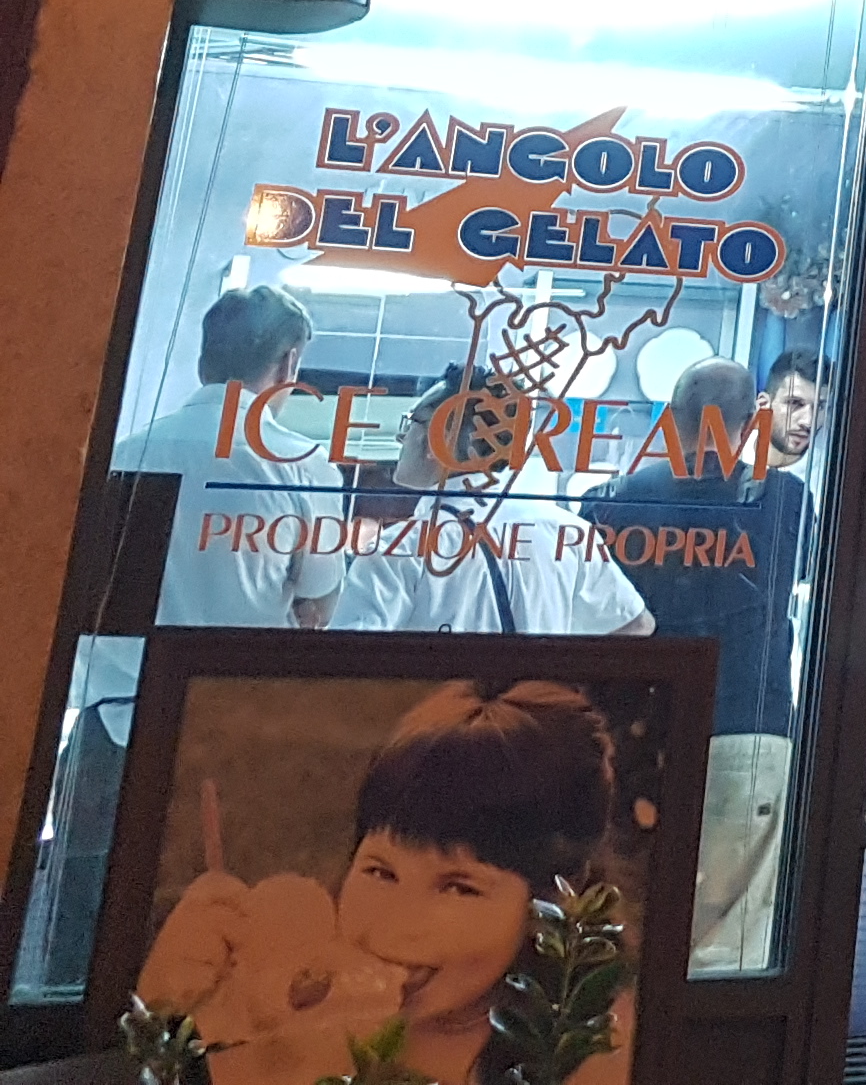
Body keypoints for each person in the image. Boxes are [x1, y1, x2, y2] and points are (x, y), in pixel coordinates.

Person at [136, 677, 630, 1085]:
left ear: (552, 901)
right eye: (381, 871)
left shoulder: (596, 1049)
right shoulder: (295, 1009)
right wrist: (166, 1021)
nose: (394, 922)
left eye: (458, 887)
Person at [586, 359, 809, 972]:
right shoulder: (787, 500)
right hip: (748, 722)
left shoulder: (613, 500)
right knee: (729, 938)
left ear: (670, 417)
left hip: (637, 728)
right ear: (750, 422)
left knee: (625, 912)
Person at [340, 369, 654, 639]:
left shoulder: (397, 551)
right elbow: (636, 626)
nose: (401, 438)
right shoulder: (569, 533)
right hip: (535, 694)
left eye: (411, 423)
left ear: (439, 439)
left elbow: (346, 663)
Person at [111, 283, 345, 629]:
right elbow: (319, 599)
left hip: (115, 665)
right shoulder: (303, 465)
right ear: (289, 365)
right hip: (235, 664)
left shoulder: (127, 454)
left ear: (202, 365)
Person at [761, 349, 832, 486]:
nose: (808, 421)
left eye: (820, 407)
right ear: (764, 404)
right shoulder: (731, 453)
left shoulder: (830, 479)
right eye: (794, 403)